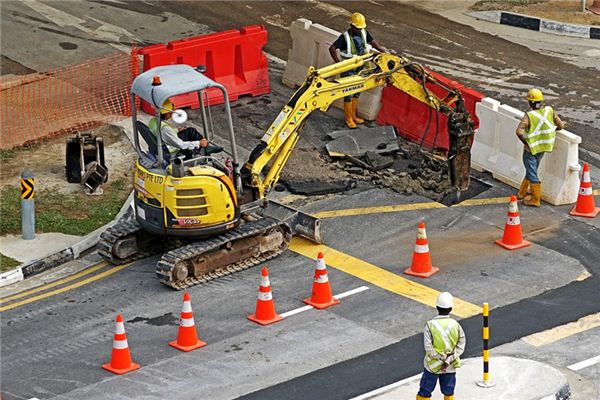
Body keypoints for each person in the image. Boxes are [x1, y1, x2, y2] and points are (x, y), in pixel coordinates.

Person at [329, 12, 391, 129]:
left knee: (357, 92)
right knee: (348, 94)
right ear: (352, 26)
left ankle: (354, 116)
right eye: (358, 28)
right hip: (348, 69)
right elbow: (331, 48)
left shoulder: (363, 32)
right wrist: (338, 63)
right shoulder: (344, 38)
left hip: (360, 68)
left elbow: (372, 42)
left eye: (361, 28)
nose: (360, 30)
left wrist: (382, 51)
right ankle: (348, 119)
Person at [515, 88, 564, 207]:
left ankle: (535, 199)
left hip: (531, 149)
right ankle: (522, 192)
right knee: (532, 169)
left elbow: (518, 131)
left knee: (532, 172)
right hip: (544, 147)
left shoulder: (529, 116)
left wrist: (526, 143)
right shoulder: (549, 111)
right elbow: (560, 125)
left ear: (530, 102)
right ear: (541, 101)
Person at [417, 292, 466, 400]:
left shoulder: (430, 325)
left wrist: (440, 358)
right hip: (449, 366)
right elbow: (461, 345)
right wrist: (449, 359)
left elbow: (428, 348)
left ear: (437, 307)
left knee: (425, 391)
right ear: (451, 308)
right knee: (448, 392)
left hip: (432, 365)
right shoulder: (456, 325)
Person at [148, 99, 222, 161]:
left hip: (164, 143)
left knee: (190, 131)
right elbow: (181, 145)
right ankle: (205, 148)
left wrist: (176, 130)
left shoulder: (153, 121)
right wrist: (198, 143)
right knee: (194, 140)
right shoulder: (165, 129)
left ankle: (206, 147)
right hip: (172, 149)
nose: (171, 114)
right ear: (165, 113)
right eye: (170, 112)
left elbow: (164, 134)